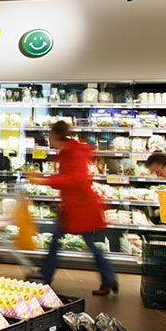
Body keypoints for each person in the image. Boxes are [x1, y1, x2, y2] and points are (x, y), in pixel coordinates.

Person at [29, 121, 119, 295]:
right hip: (73, 206)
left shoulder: (71, 152)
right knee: (59, 241)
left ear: (55, 135)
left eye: (50, 136)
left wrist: (45, 180)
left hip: (80, 207)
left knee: (88, 244)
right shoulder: (69, 150)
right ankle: (45, 275)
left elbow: (74, 179)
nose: (49, 139)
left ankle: (108, 278)